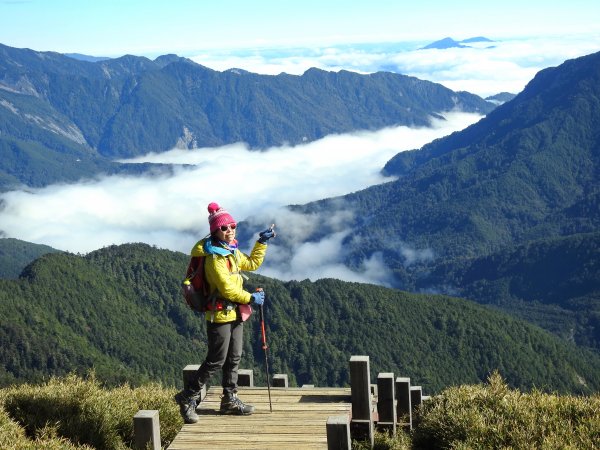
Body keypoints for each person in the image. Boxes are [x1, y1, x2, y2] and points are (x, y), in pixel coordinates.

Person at [175, 202, 276, 424]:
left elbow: (251, 263)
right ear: (214, 230)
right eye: (224, 228)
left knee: (234, 358)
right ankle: (187, 397)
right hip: (219, 315)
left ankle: (230, 399)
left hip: (235, 314)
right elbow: (226, 288)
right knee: (216, 360)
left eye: (233, 226)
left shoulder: (230, 251)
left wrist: (261, 242)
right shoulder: (214, 257)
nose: (229, 230)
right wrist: (250, 298)